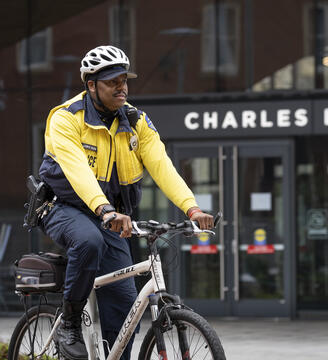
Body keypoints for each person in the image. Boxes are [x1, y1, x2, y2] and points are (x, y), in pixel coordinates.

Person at [37, 45, 213, 360]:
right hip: (65, 208)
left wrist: (192, 207)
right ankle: (70, 325)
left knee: (124, 300)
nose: (122, 87)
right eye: (112, 81)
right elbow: (78, 172)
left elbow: (162, 166)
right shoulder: (65, 119)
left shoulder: (136, 121)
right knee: (88, 240)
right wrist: (104, 209)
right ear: (91, 85)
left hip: (113, 217)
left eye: (124, 80)